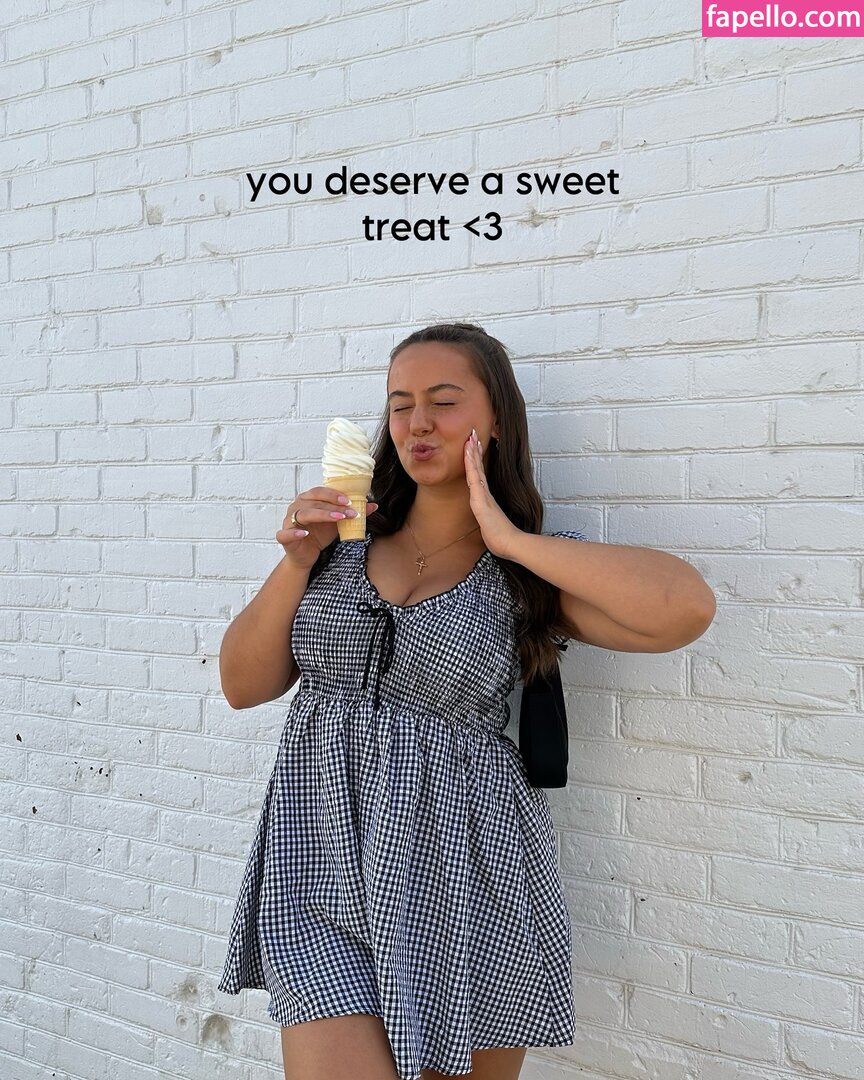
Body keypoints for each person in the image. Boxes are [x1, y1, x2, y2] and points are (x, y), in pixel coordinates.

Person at [216, 322, 716, 1080]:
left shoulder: (524, 571)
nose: (417, 422)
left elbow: (685, 608)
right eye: (400, 405)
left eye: (443, 402)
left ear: (497, 419)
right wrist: (295, 563)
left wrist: (510, 540)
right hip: (317, 859)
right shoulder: (340, 546)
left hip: (466, 868)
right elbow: (242, 684)